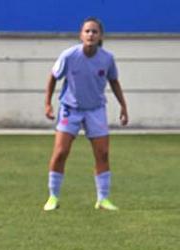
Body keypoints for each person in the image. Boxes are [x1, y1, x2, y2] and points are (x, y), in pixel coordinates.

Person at [42, 17, 128, 211]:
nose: (91, 34)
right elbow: (53, 77)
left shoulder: (107, 59)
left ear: (100, 36)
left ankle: (103, 199)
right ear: (81, 35)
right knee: (61, 152)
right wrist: (48, 104)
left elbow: (114, 81)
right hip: (70, 109)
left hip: (96, 110)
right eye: (87, 31)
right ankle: (53, 197)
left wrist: (123, 106)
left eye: (94, 31)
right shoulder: (69, 56)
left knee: (103, 154)